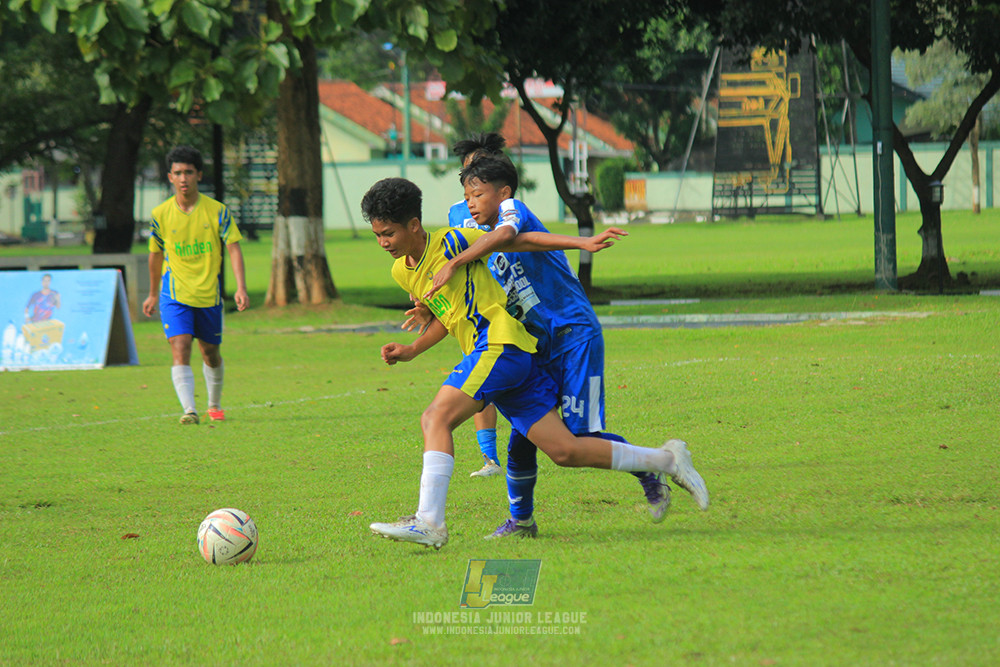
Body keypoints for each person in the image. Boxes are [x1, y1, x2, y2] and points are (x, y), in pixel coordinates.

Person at [361, 176, 708, 550]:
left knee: (435, 418)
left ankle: (429, 521)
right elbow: (449, 317)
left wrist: (582, 243)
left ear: (413, 225)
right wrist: (412, 349)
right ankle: (668, 459)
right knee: (566, 451)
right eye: (377, 235)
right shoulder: (402, 271)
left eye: (388, 234)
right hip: (506, 360)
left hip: (498, 344)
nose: (382, 243)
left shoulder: (453, 241)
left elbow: (520, 241)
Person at [425, 148, 672, 537]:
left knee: (580, 437)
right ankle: (521, 521)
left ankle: (651, 466)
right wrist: (430, 307)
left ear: (499, 186)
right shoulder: (462, 216)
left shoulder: (510, 208)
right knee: (526, 433)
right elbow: (469, 272)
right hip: (531, 342)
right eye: (467, 183)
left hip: (573, 333)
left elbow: (517, 238)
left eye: (478, 184)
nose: (471, 195)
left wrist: (581, 242)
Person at [142, 145, 249, 425]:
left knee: (210, 353)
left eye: (188, 172)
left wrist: (240, 287)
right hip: (174, 293)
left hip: (208, 294)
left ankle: (214, 404)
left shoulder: (217, 212)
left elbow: (234, 249)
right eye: (177, 173)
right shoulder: (160, 214)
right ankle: (189, 410)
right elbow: (155, 255)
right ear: (169, 177)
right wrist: (153, 293)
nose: (183, 178)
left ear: (199, 175)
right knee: (180, 347)